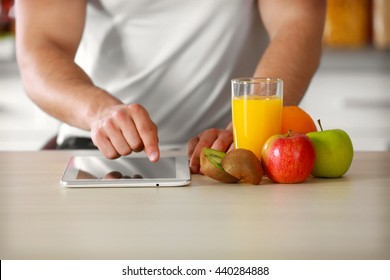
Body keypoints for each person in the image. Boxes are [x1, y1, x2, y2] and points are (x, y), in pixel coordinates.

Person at [15, 0, 326, 174]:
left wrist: (245, 133)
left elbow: (298, 20)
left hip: (223, 161)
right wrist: (99, 112)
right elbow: (41, 48)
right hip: (96, 151)